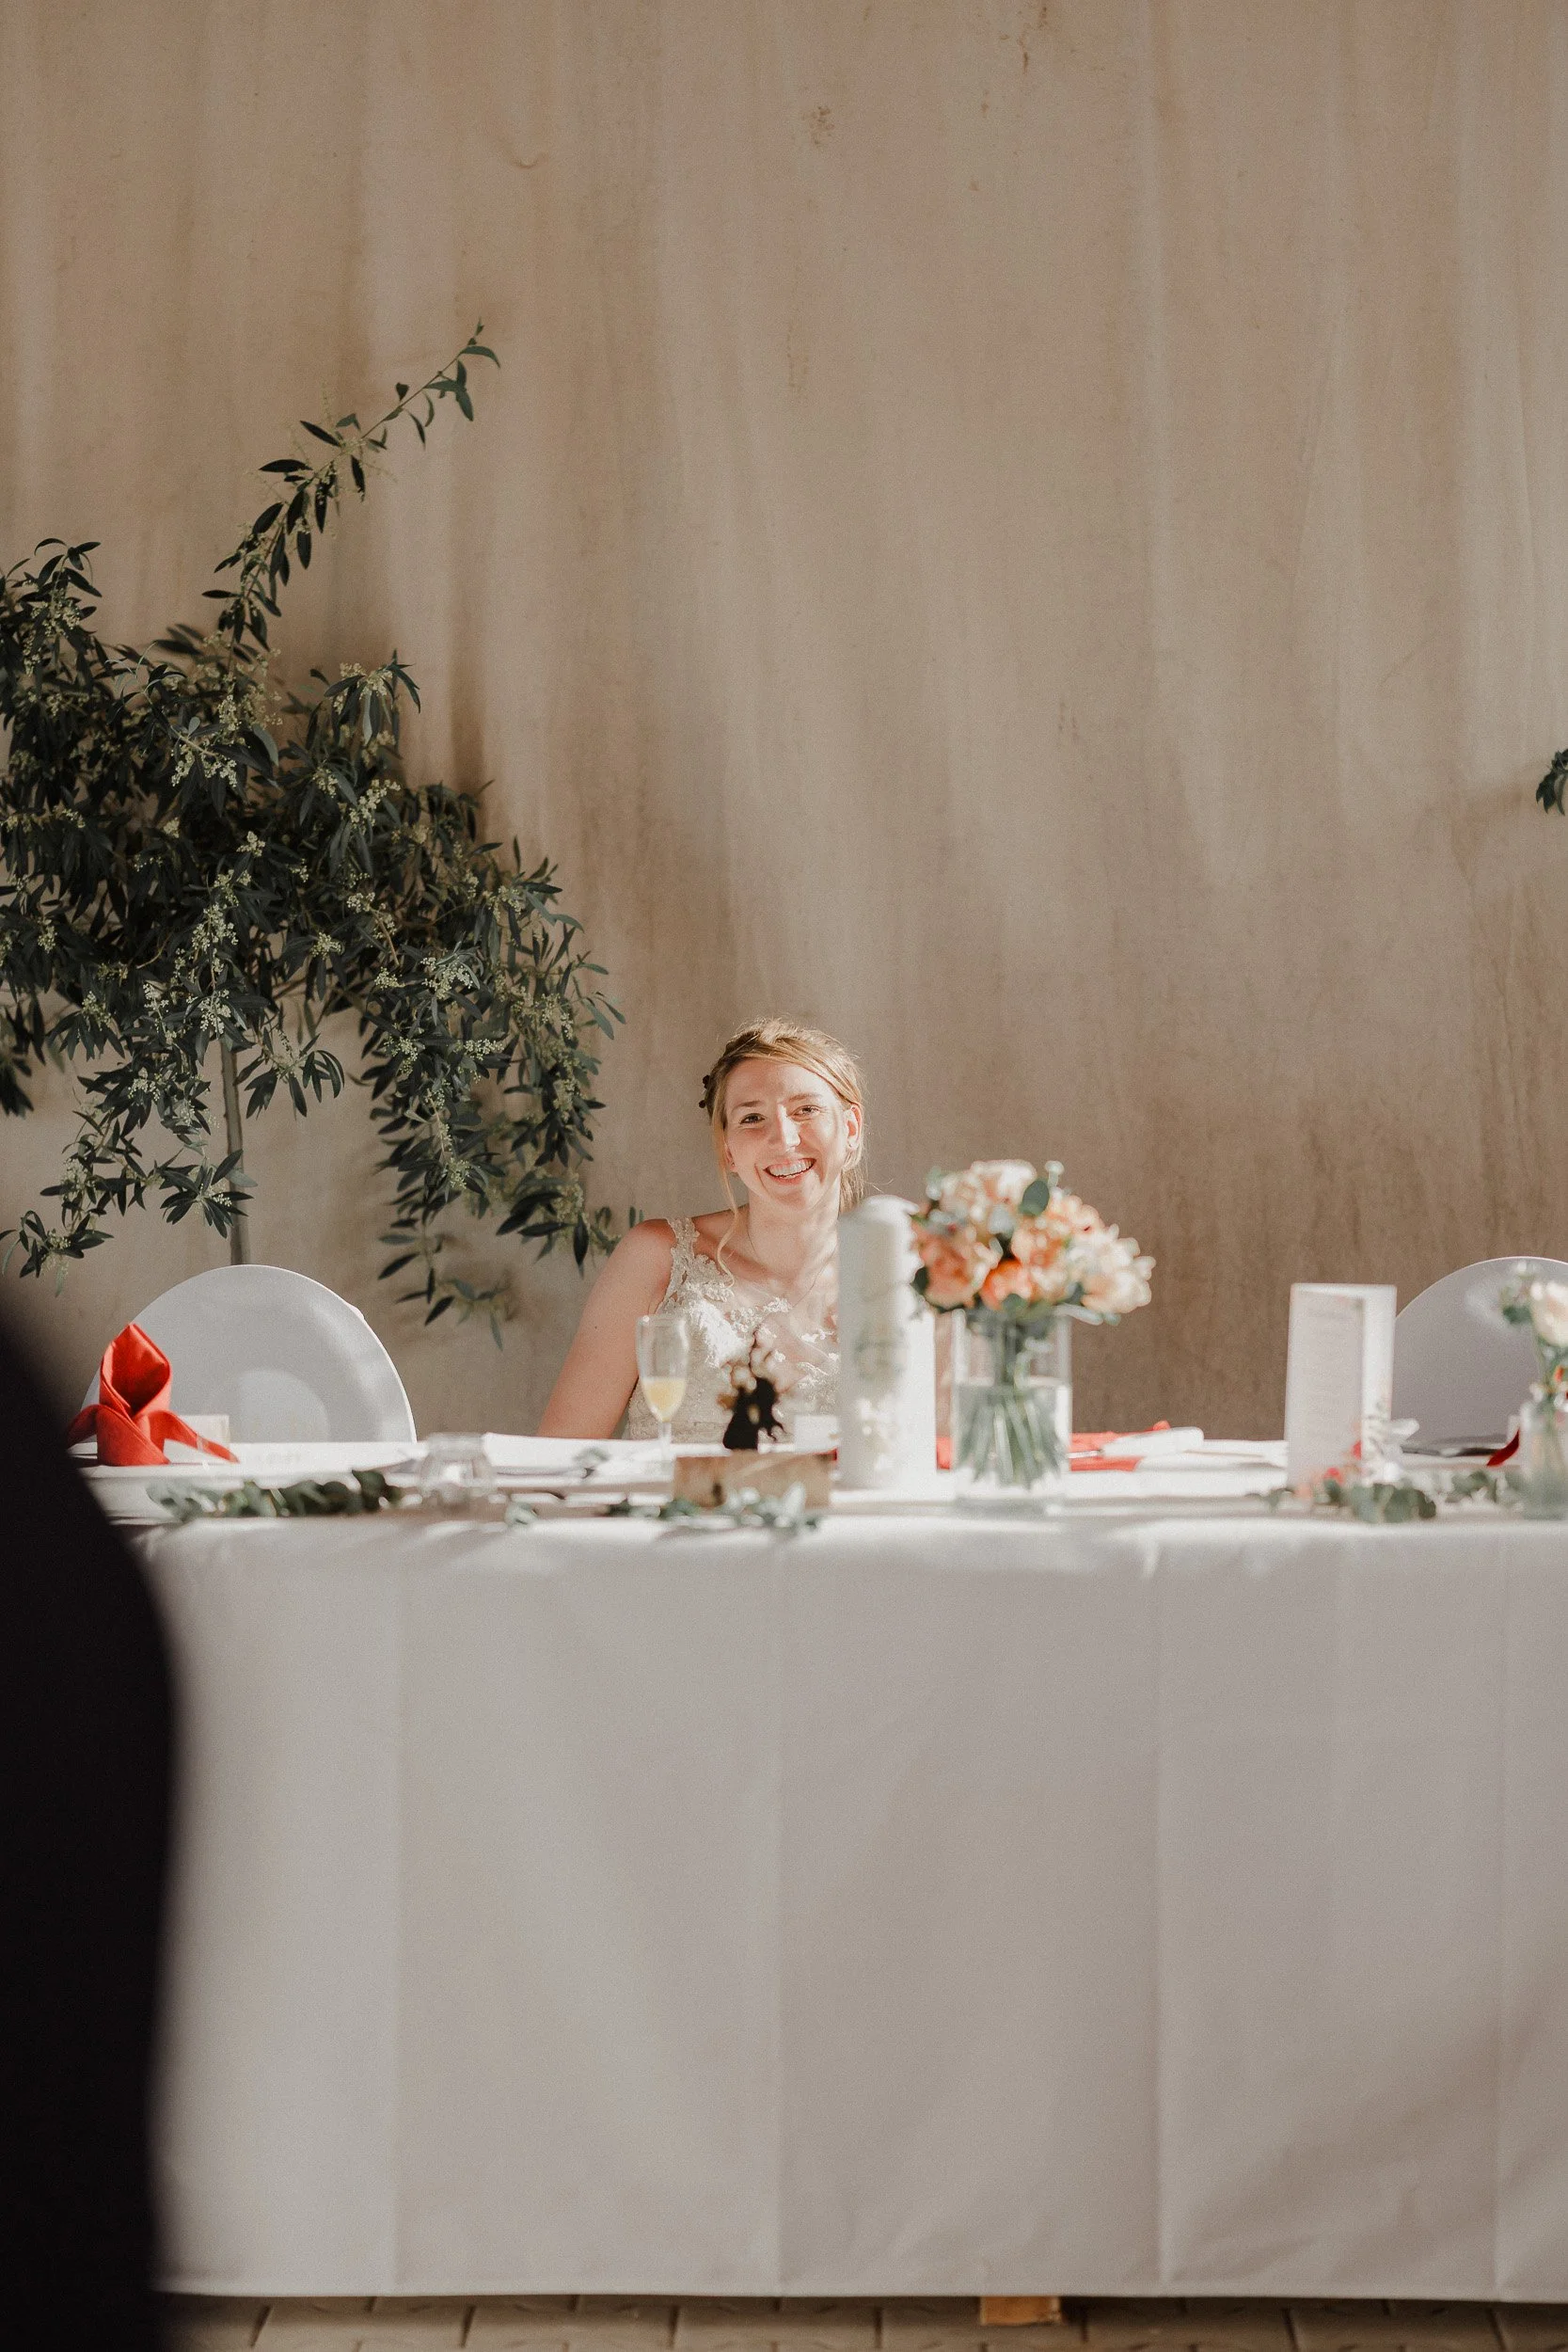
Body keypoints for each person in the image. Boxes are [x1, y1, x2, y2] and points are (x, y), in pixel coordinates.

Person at [539, 1018, 866, 1441]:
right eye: (752, 1118)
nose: (783, 1138)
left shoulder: (903, 1277)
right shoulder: (657, 1256)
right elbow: (561, 1450)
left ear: (852, 1129)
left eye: (806, 1110)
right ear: (729, 1151)